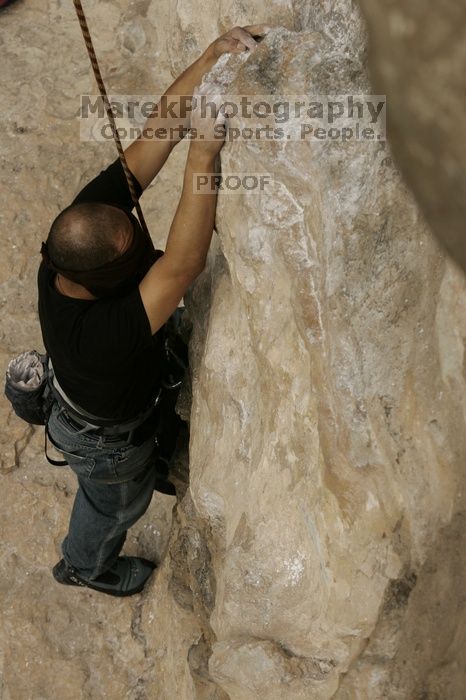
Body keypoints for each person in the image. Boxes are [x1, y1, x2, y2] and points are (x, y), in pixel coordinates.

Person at [41, 25, 267, 597]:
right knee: (117, 504)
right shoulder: (101, 335)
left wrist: (211, 54)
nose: (141, 238)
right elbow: (184, 263)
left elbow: (155, 135)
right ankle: (85, 566)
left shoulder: (79, 234)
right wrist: (205, 150)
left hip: (103, 401)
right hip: (105, 440)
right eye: (132, 252)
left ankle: (157, 460)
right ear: (105, 282)